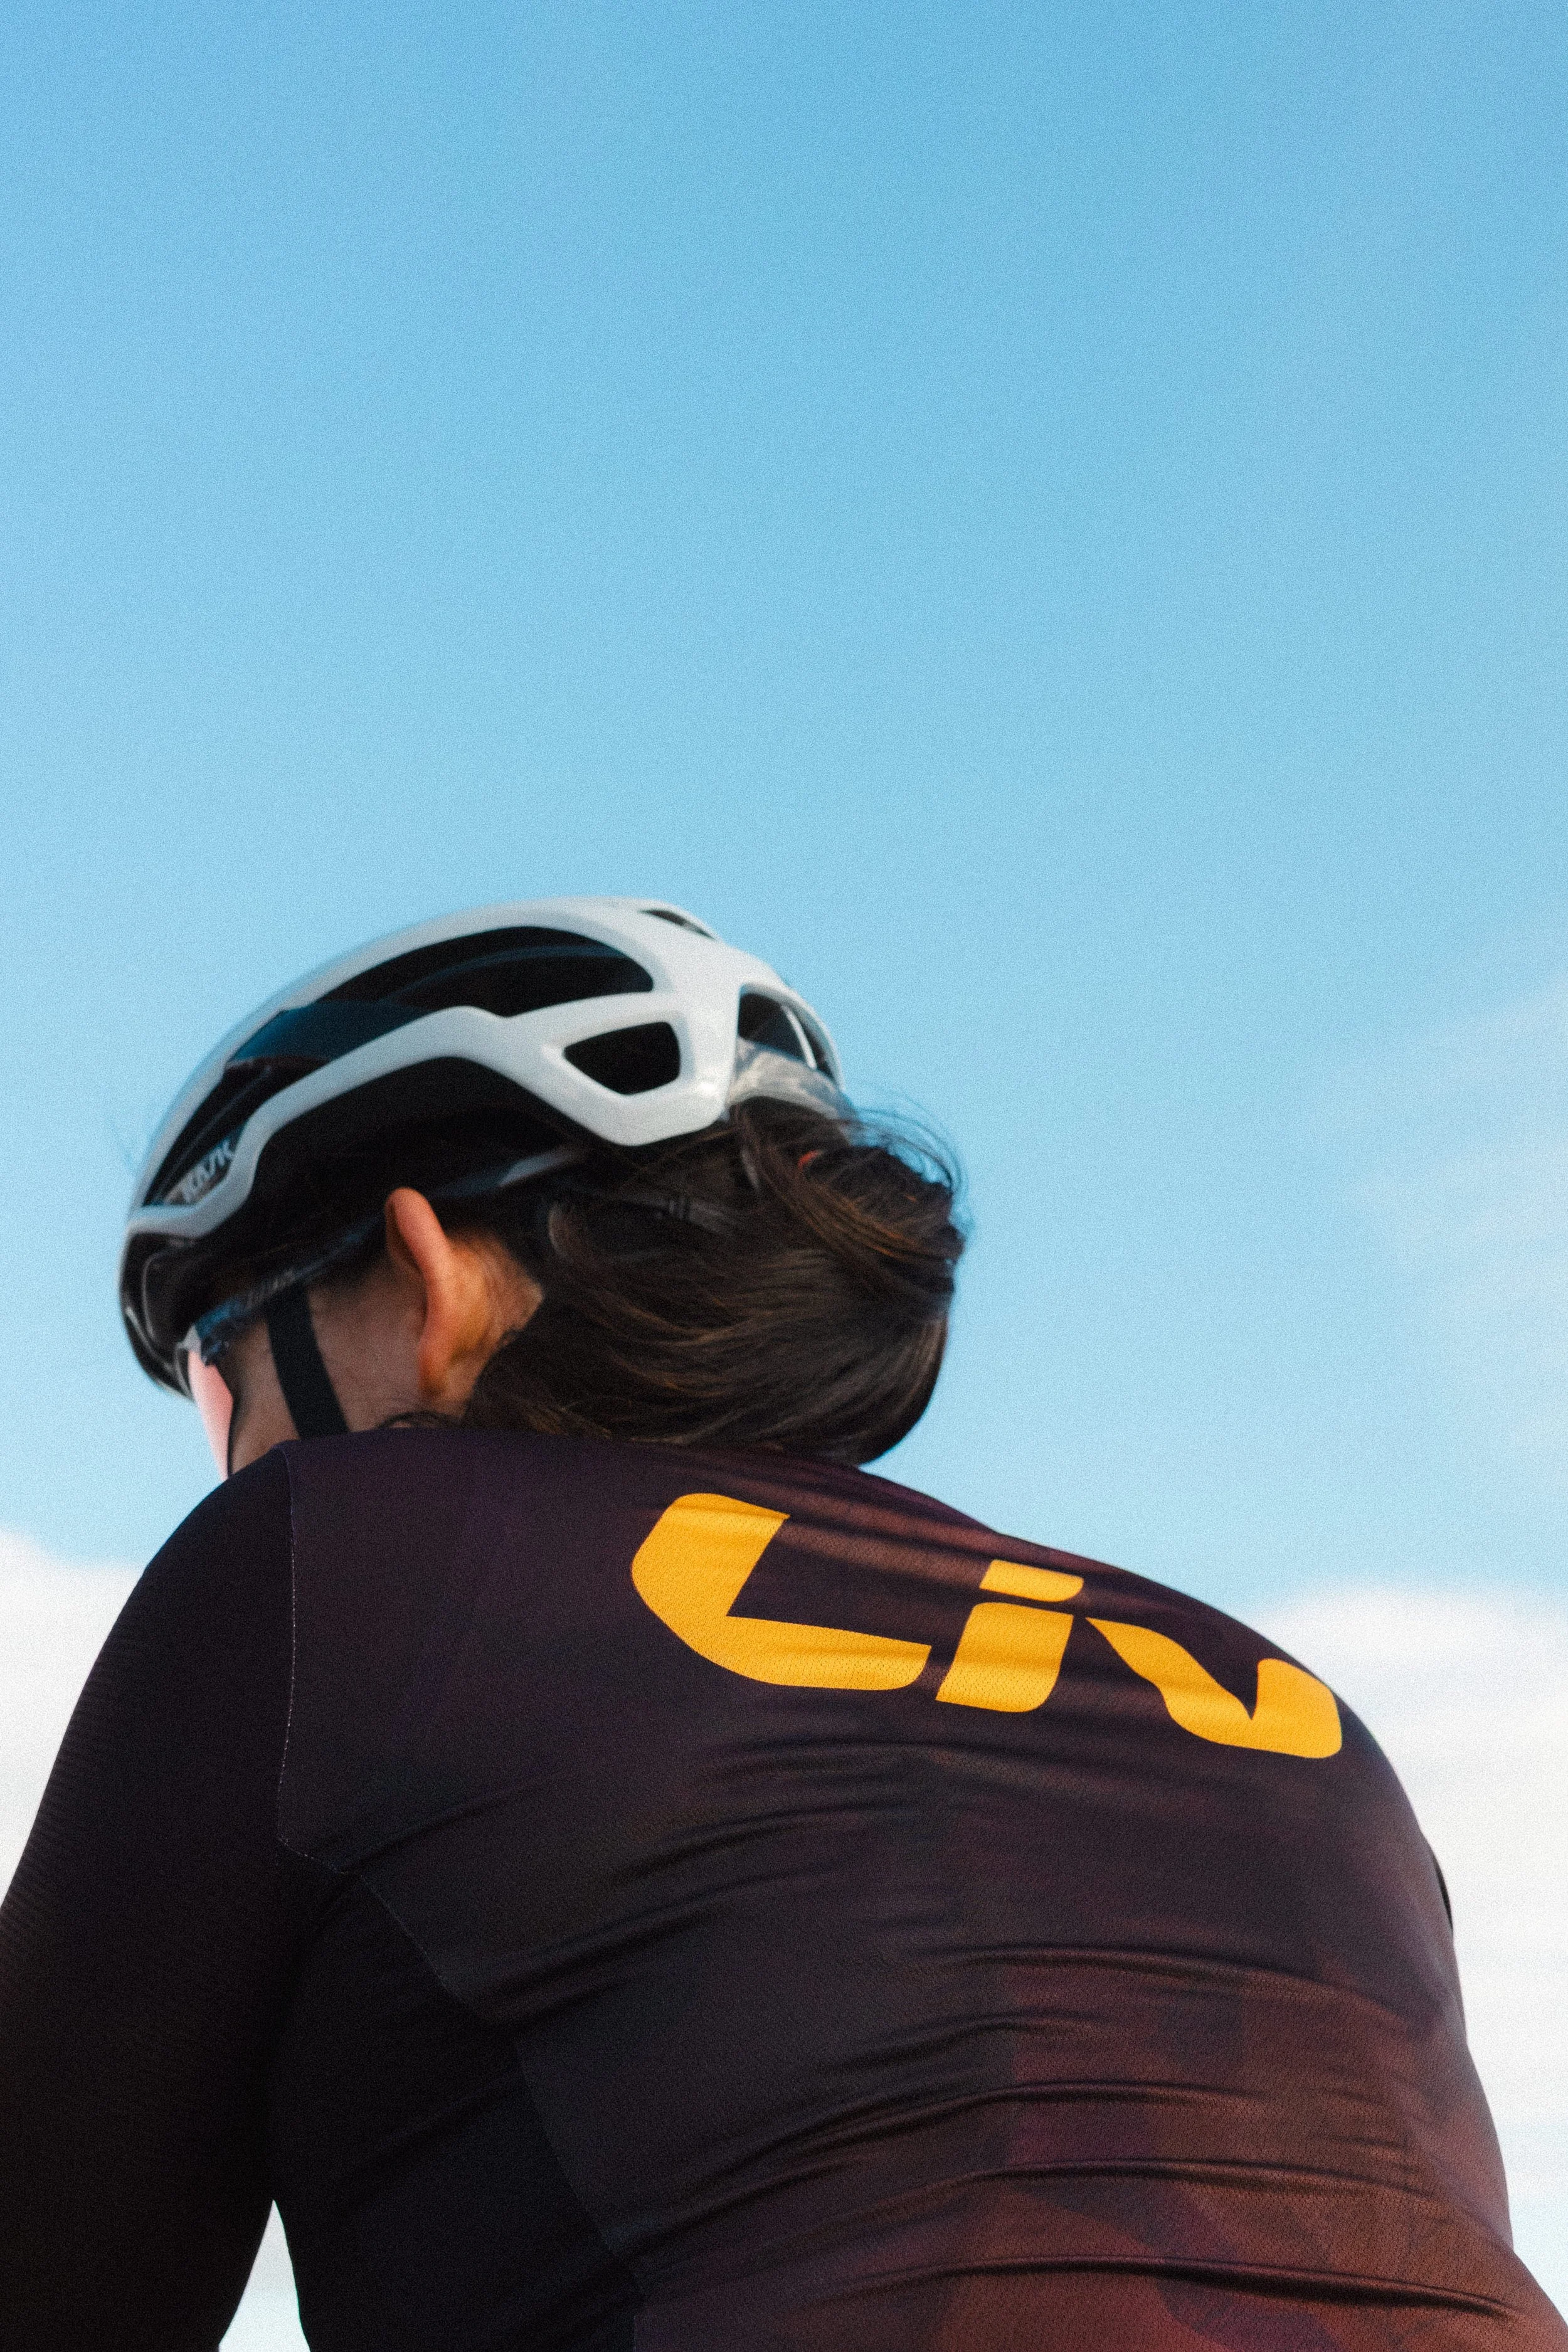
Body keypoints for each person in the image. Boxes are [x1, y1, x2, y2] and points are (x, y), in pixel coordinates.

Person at [0, 896, 1559, 2351]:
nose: (227, 1436)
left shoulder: (333, 1549)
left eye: (215, 1370)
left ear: (429, 1278)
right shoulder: (1261, 1685)